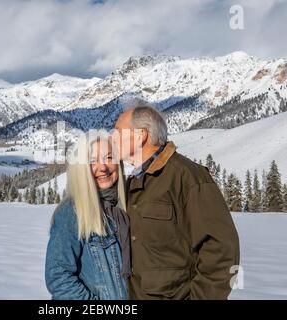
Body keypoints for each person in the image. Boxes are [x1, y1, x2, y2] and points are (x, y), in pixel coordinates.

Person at [112, 101, 240, 300]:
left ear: (141, 136)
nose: (112, 138)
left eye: (118, 131)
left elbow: (222, 252)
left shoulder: (187, 177)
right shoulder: (134, 181)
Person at [45, 132, 130, 299]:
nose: (103, 167)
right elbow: (58, 277)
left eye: (109, 157)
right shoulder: (72, 212)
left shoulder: (124, 207)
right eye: (92, 161)